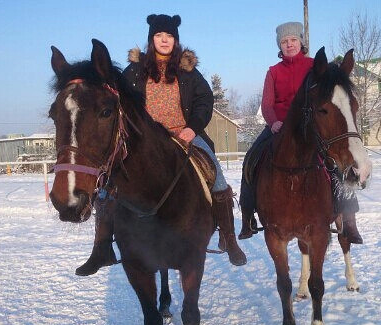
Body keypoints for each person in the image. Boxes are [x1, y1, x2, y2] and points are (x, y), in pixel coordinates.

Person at [76, 14, 247, 276]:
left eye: (168, 36)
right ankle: (101, 248)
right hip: (143, 139)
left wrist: (192, 128)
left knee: (217, 174)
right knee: (107, 183)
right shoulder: (135, 70)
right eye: (159, 35)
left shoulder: (188, 70)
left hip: (184, 134)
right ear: (151, 39)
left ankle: (228, 237)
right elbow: (117, 97)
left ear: (175, 40)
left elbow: (204, 100)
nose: (164, 40)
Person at [237, 21, 363, 244]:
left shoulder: (316, 67)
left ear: (301, 42)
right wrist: (273, 122)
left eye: (293, 40)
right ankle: (248, 216)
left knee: (338, 159)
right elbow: (267, 104)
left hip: (311, 127)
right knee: (251, 157)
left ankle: (349, 216)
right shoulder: (273, 72)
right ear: (280, 45)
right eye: (285, 41)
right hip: (280, 128)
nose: (289, 44)